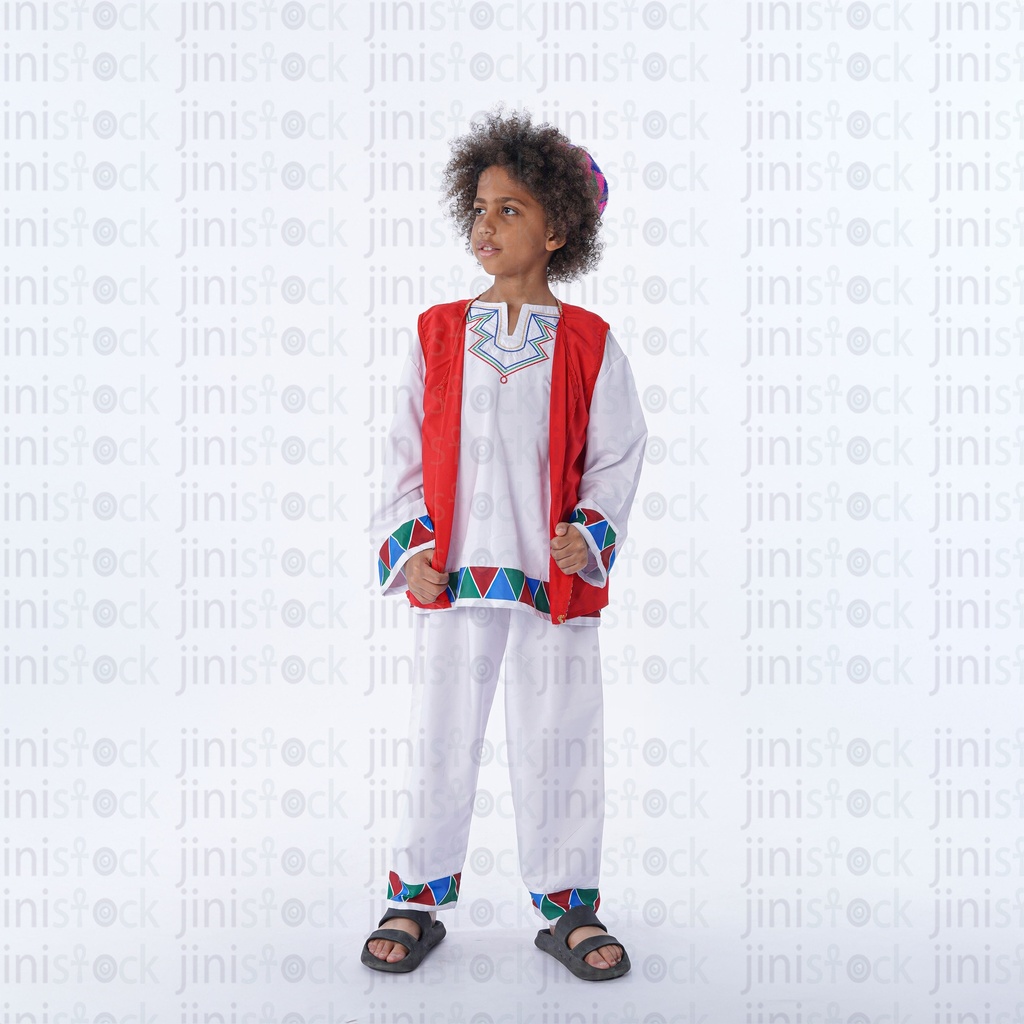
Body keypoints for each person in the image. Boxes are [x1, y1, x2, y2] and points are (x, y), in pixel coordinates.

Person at [360, 105, 648, 982]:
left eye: (510, 210)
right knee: (438, 736)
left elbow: (619, 453)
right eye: (480, 208)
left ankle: (568, 905)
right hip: (453, 579)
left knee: (560, 738)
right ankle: (415, 896)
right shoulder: (437, 333)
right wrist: (410, 548)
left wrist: (590, 532)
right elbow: (402, 452)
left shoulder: (591, 343)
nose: (486, 225)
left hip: (550, 583)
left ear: (557, 231)